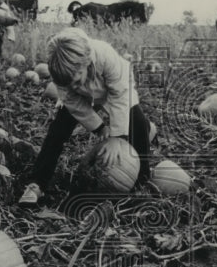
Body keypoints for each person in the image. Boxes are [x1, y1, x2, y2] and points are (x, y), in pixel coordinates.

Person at [18, 27, 151, 205]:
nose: (72, 86)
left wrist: (115, 137)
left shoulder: (105, 55)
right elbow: (74, 104)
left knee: (139, 124)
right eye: (68, 84)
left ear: (86, 62)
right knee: (57, 132)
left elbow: (119, 95)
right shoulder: (62, 73)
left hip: (116, 88)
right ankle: (37, 183)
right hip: (84, 96)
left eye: (76, 79)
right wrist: (100, 127)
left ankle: (142, 179)